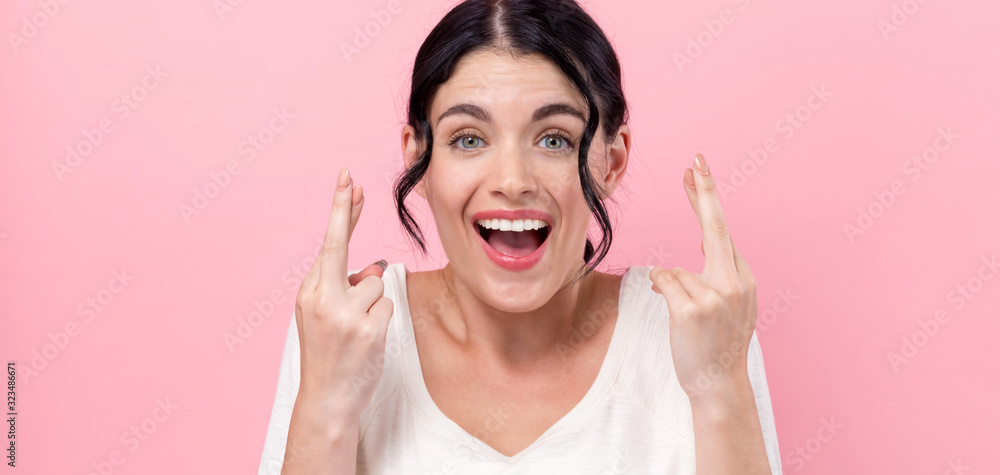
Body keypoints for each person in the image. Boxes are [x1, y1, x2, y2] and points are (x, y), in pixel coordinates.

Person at [259, 0, 781, 473]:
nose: (512, 181)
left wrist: (720, 393)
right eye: (468, 139)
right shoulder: (345, 330)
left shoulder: (699, 330)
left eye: (554, 139)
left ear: (613, 160)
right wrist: (325, 404)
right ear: (419, 156)